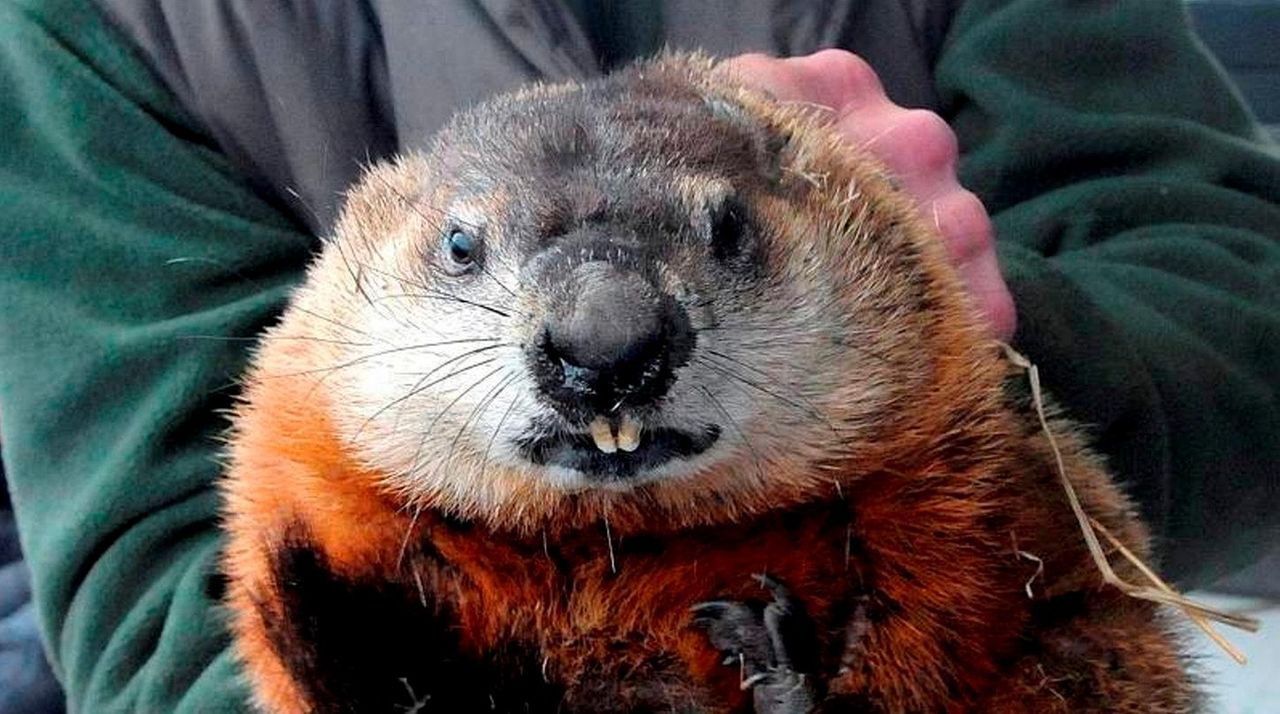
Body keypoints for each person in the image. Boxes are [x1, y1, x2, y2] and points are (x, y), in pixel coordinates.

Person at [1, 0, 1276, 710]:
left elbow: (1233, 302)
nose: (596, 341)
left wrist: (984, 341)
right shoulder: (105, 27)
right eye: (458, 257)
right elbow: (162, 608)